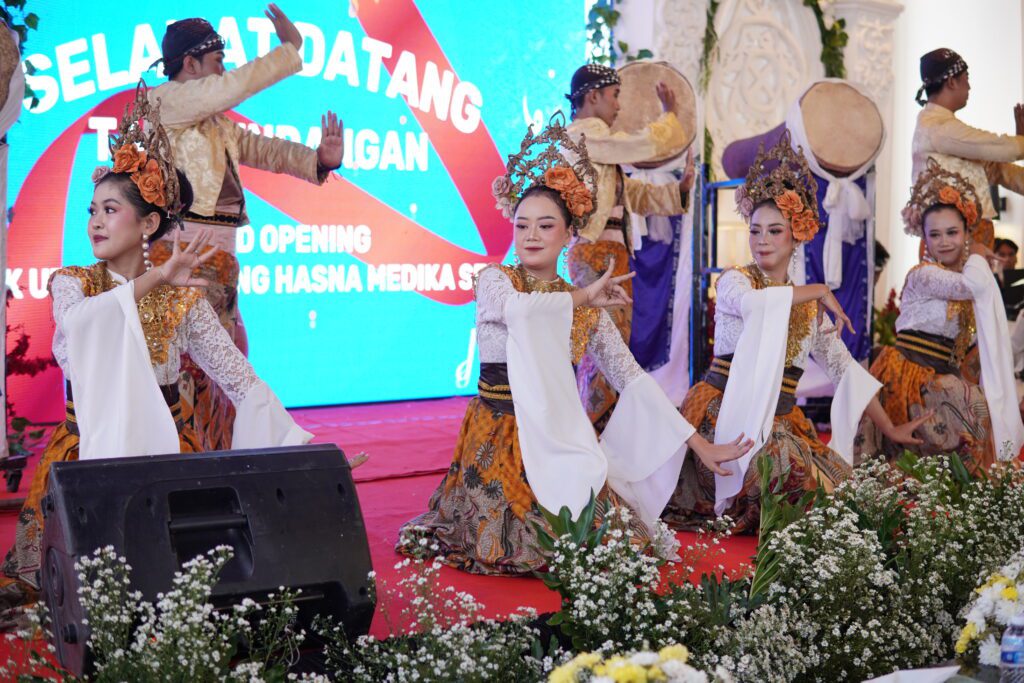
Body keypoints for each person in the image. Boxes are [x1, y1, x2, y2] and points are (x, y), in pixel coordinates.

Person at [0, 86, 311, 622]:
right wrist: (154, 281)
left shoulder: (181, 302)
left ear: (147, 224)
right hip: (86, 456)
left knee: (181, 595)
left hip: (167, 456)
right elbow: (80, 333)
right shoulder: (72, 284)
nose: (95, 221)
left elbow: (241, 382)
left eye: (110, 209)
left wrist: (303, 450)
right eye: (92, 209)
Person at [396, 115, 750, 575]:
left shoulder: (582, 305)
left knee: (612, 540)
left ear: (568, 233)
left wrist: (699, 444)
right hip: (502, 433)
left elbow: (632, 379)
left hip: (562, 436)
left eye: (545, 226)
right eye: (522, 226)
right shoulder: (496, 282)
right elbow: (524, 311)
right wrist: (583, 296)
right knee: (523, 543)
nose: (531, 236)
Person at [663, 132, 929, 533]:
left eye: (774, 230)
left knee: (846, 493)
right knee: (796, 478)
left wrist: (889, 426)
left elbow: (844, 370)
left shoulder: (807, 306)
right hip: (727, 413)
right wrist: (820, 290)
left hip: (781, 419)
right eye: (755, 230)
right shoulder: (738, 282)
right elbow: (757, 305)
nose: (762, 241)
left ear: (797, 236)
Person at [147, 5, 343, 451]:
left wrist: (318, 160)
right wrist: (291, 51)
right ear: (190, 64)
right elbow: (234, 88)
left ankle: (222, 460)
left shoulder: (214, 125)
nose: (225, 72)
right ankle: (187, 463)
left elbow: (263, 149)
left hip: (218, 262)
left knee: (223, 369)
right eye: (217, 63)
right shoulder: (166, 102)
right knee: (191, 371)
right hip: (181, 257)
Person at [856, 159, 1024, 469]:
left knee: (977, 412)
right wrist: (976, 255)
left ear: (965, 233)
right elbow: (971, 285)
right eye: (935, 235)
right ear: (924, 238)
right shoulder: (925, 275)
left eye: (952, 232)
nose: (944, 241)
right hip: (909, 371)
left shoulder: (965, 278)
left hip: (942, 373)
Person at [563, 63, 696, 430]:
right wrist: (670, 117)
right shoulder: (584, 137)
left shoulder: (598, 146)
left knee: (610, 343)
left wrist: (678, 191)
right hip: (595, 254)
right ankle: (594, 429)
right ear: (593, 97)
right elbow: (644, 143)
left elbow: (631, 195)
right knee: (604, 344)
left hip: (610, 254)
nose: (619, 106)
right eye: (615, 95)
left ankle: (603, 427)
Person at [913, 48, 1024, 252]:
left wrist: (1019, 141)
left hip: (968, 237)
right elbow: (993, 146)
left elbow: (998, 170)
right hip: (951, 239)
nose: (970, 86)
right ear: (951, 82)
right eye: (967, 78)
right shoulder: (937, 127)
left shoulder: (946, 129)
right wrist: (1020, 142)